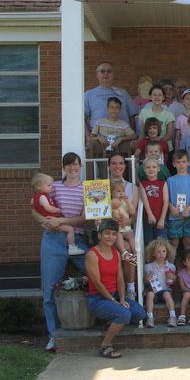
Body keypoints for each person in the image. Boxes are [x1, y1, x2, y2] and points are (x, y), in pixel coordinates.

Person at [32, 152, 89, 351]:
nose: (73, 168)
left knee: (98, 274)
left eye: (76, 164)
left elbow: (83, 218)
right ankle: (53, 335)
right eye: (69, 165)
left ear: (80, 166)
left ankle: (105, 321)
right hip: (53, 239)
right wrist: (45, 221)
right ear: (63, 167)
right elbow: (34, 209)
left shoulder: (87, 188)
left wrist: (61, 220)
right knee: (49, 290)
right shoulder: (53, 187)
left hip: (77, 239)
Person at [85, 219, 145, 358]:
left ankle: (111, 320)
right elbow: (97, 283)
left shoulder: (116, 253)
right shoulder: (92, 255)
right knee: (124, 314)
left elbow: (120, 278)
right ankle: (105, 346)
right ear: (99, 235)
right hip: (98, 299)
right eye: (107, 233)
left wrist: (122, 299)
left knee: (140, 313)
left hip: (116, 296)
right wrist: (113, 301)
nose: (110, 237)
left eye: (113, 234)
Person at [84, 62, 136, 148]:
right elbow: (82, 119)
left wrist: (132, 138)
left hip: (123, 141)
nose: (106, 73)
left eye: (109, 71)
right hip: (99, 142)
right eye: (102, 71)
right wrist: (88, 137)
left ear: (113, 74)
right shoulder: (89, 94)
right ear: (97, 74)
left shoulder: (123, 92)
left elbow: (132, 116)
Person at [31, 173, 82, 256]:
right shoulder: (43, 197)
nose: (51, 187)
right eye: (48, 185)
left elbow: (34, 207)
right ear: (39, 187)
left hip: (48, 221)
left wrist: (43, 221)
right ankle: (72, 248)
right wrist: (57, 209)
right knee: (70, 229)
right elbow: (48, 208)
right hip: (53, 221)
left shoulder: (34, 197)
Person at [167, 150, 190, 254]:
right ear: (174, 164)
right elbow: (166, 198)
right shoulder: (170, 180)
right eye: (178, 162)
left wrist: (188, 209)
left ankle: (188, 261)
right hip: (174, 215)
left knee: (187, 241)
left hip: (189, 215)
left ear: (188, 163)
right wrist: (171, 208)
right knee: (174, 242)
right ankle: (171, 262)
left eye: (184, 162)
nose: (181, 164)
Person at [143, 239, 177, 328]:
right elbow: (145, 282)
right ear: (153, 253)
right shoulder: (149, 267)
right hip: (154, 291)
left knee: (167, 294)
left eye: (163, 251)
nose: (161, 254)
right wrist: (147, 279)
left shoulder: (171, 266)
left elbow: (174, 281)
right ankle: (150, 317)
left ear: (167, 252)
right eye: (158, 252)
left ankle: (172, 316)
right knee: (149, 294)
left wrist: (173, 277)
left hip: (165, 290)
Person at [137, 84, 175, 154]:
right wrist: (137, 145)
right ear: (150, 97)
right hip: (148, 150)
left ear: (163, 97)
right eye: (154, 95)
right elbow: (142, 134)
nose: (157, 97)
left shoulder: (169, 115)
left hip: (165, 149)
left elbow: (169, 134)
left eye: (159, 95)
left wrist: (156, 144)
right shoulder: (144, 112)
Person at [139, 157, 169, 246]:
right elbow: (145, 200)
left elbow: (166, 201)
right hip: (147, 218)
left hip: (161, 217)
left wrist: (162, 219)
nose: (151, 169)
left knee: (162, 243)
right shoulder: (142, 183)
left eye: (154, 167)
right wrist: (150, 214)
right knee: (149, 243)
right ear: (144, 169)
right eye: (148, 167)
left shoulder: (162, 183)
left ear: (158, 169)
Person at [110, 179, 137, 266]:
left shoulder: (124, 202)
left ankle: (136, 253)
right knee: (118, 235)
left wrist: (128, 201)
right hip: (117, 228)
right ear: (111, 192)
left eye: (123, 191)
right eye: (118, 191)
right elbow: (113, 216)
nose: (121, 193)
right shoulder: (110, 203)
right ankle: (124, 252)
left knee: (131, 235)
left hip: (126, 228)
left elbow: (132, 211)